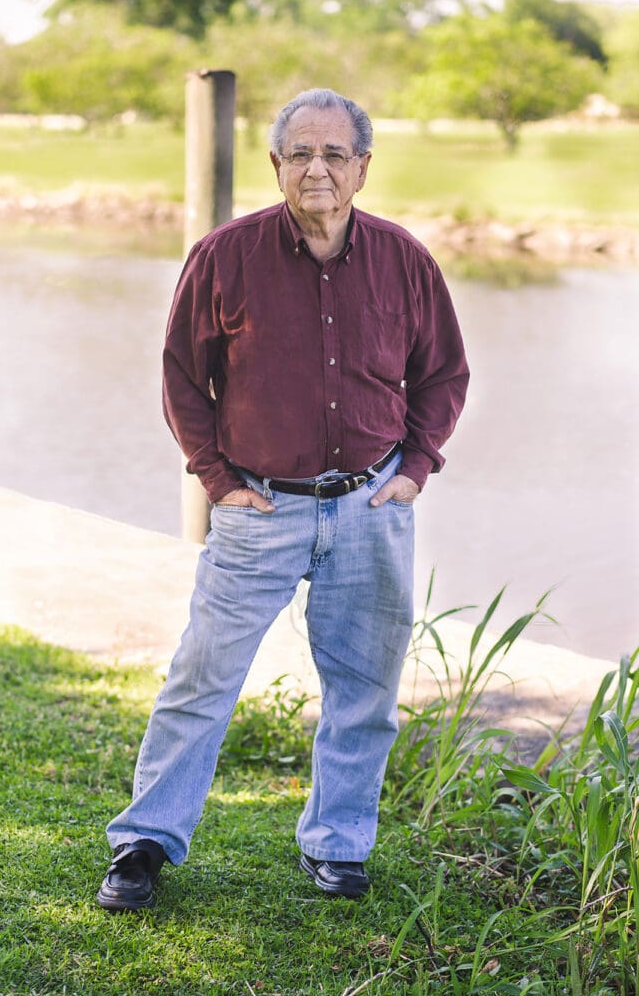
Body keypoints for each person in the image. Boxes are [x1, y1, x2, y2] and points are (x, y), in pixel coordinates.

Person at [97, 88, 469, 911]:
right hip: (257, 509)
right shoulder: (224, 257)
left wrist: (414, 469)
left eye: (335, 155)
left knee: (365, 691)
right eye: (301, 153)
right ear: (276, 165)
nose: (318, 170)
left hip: (372, 507)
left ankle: (337, 845)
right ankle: (144, 843)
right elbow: (183, 379)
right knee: (201, 678)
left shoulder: (405, 261)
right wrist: (218, 482)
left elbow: (442, 374)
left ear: (363, 169)